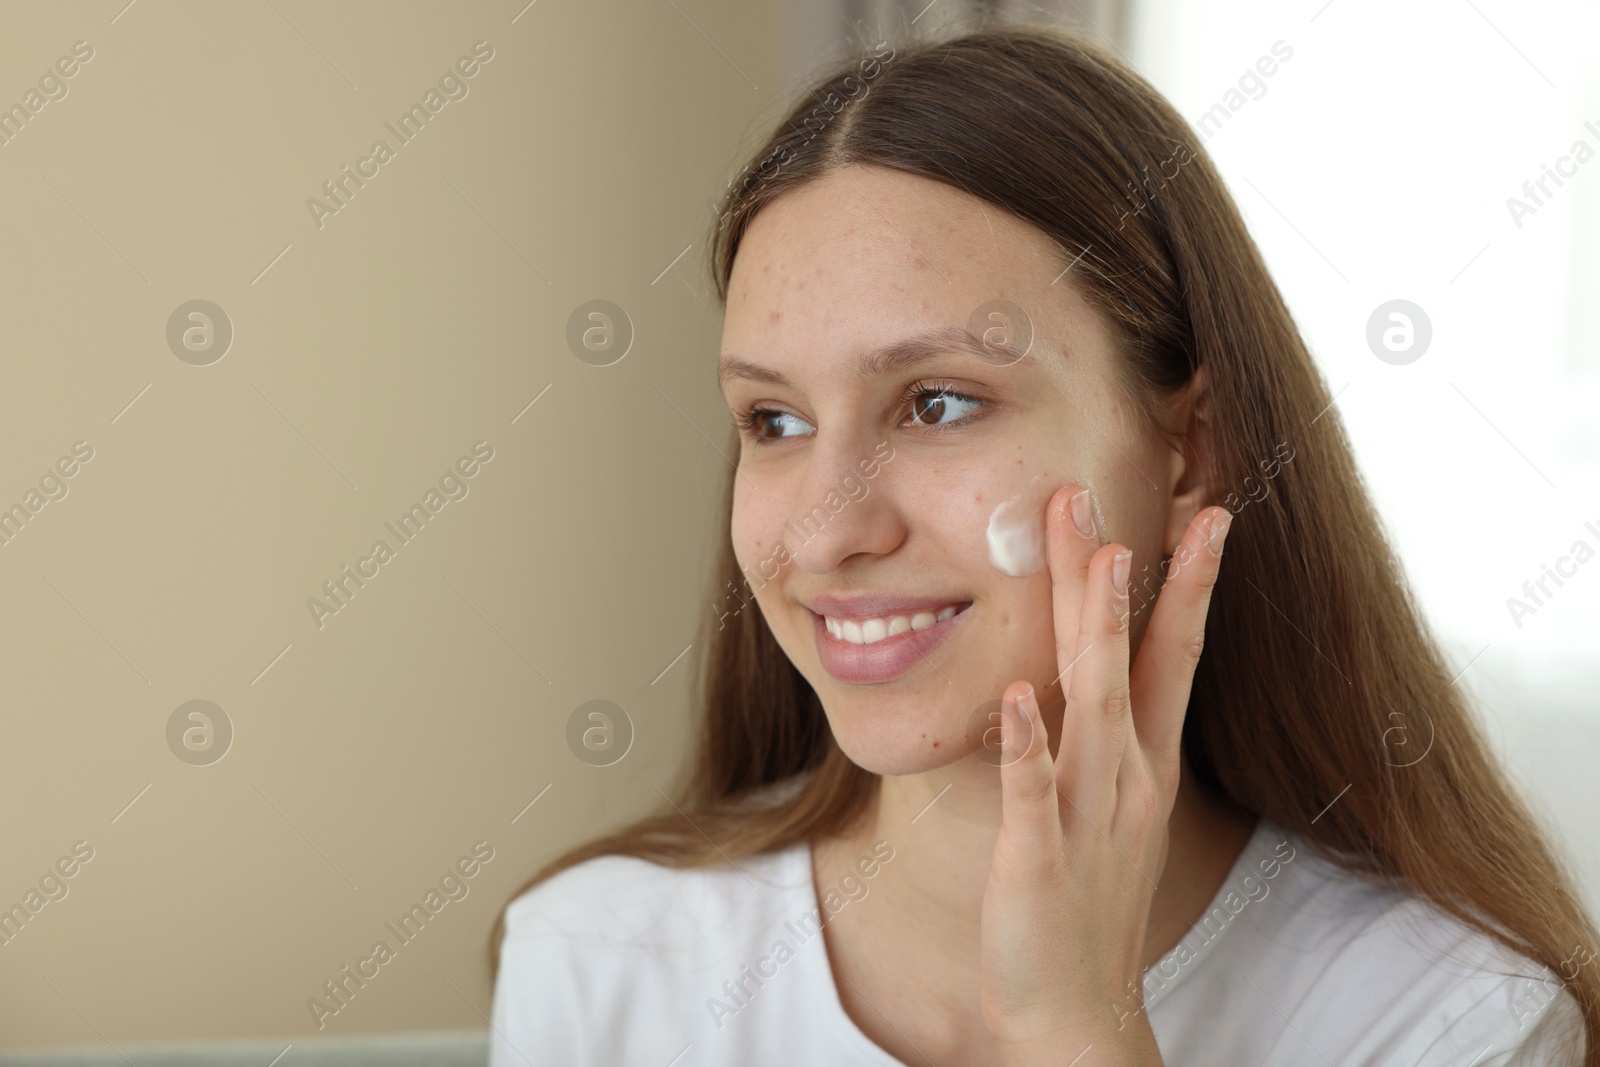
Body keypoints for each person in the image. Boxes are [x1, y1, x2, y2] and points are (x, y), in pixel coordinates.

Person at [488, 22, 1595, 1066]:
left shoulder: (1446, 1022)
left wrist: (1078, 1028)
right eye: (773, 421)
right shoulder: (599, 964)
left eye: (937, 402)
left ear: (1187, 450)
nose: (825, 532)